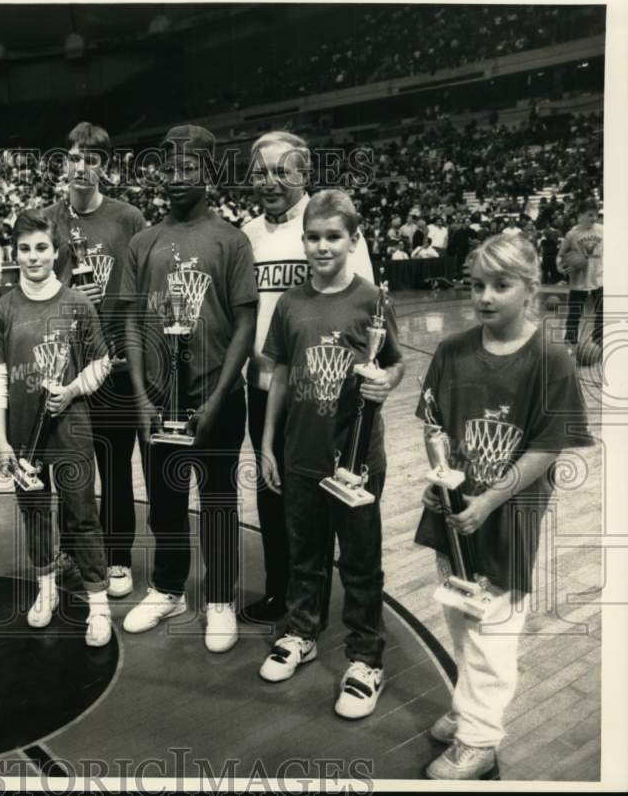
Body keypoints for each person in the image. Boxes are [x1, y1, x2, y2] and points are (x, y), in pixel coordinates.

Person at [414, 233, 593, 779]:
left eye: (501, 284)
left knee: (494, 630)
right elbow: (435, 427)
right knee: (460, 613)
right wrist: (439, 482)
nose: (486, 296)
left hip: (508, 515)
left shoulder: (550, 359)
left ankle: (481, 739)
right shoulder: (451, 350)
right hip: (455, 513)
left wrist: (490, 499)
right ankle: (470, 706)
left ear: (530, 288)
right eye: (477, 285)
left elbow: (547, 446)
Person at [257, 190, 404, 720]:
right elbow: (276, 377)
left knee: (361, 561)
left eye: (333, 237)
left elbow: (395, 364)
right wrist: (268, 443)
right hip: (301, 454)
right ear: (304, 241)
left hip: (358, 458)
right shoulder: (291, 303)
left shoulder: (371, 300)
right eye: (314, 237)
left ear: (353, 239)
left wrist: (385, 382)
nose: (322, 246)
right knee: (305, 555)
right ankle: (302, 632)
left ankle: (366, 658)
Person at [120, 124, 257, 653]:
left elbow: (244, 323)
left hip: (216, 397)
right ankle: (168, 588)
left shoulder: (232, 239)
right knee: (164, 501)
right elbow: (129, 322)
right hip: (158, 401)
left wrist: (219, 398)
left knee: (219, 499)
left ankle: (219, 597)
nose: (177, 179)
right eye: (169, 168)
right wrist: (139, 397)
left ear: (210, 173)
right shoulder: (143, 241)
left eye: (189, 168)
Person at [240, 130, 374, 624]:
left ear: (305, 174)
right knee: (273, 491)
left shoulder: (326, 226)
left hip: (326, 389)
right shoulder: (247, 234)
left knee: (329, 495)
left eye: (282, 171)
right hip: (266, 389)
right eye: (260, 172)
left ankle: (334, 598)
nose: (270, 181)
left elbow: (367, 312)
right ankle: (283, 592)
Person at [0, 210, 113, 647]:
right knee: (35, 514)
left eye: (41, 247)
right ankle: (46, 588)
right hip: (22, 435)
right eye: (24, 249)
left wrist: (73, 389)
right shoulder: (3, 309)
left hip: (71, 428)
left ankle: (98, 603)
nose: (33, 256)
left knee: (81, 514)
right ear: (13, 254)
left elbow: (102, 362)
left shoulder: (78, 303)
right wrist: (1, 441)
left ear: (55, 252)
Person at [41, 122, 147, 600]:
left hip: (117, 360)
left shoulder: (129, 219)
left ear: (106, 166)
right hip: (65, 365)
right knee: (70, 464)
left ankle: (119, 554)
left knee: (116, 463)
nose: (82, 167)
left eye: (93, 159)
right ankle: (74, 549)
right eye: (75, 157)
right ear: (63, 162)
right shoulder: (46, 219)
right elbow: (34, 290)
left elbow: (142, 291)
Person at [557, 198, 603, 350]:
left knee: (601, 311)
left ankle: (598, 341)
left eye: (595, 214)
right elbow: (561, 255)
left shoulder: (603, 230)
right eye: (590, 215)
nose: (594, 218)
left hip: (599, 278)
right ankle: (570, 340)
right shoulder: (572, 234)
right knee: (574, 313)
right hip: (578, 280)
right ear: (580, 215)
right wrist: (560, 266)